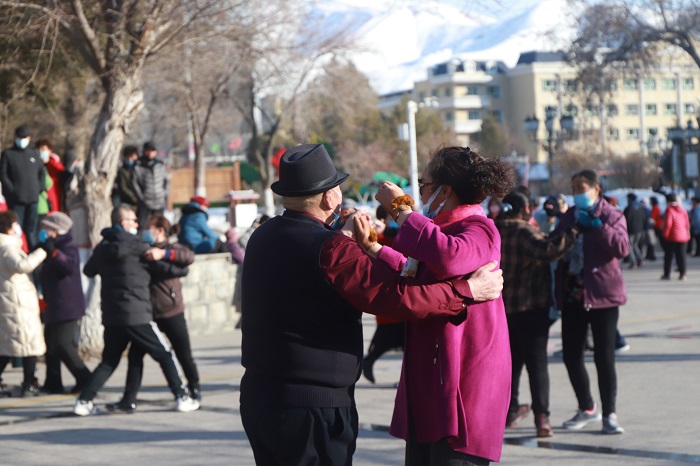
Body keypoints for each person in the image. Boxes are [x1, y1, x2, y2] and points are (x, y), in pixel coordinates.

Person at [240, 144, 504, 466]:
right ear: (329, 198)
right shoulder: (331, 247)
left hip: (457, 386)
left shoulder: (264, 234)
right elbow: (400, 294)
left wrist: (384, 237)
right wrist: (467, 290)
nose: (416, 192)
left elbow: (436, 261)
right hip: (313, 405)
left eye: (421, 185)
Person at [369, 146, 514, 465]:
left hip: (464, 384)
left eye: (423, 183)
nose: (418, 192)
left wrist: (400, 209)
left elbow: (448, 256)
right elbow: (416, 269)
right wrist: (376, 249)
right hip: (434, 379)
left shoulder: (479, 228)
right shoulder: (442, 231)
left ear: (444, 190)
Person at [73, 204, 199, 416]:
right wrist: (179, 269)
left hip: (112, 315)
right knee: (165, 355)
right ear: (124, 223)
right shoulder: (137, 245)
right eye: (133, 220)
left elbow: (89, 270)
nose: (137, 224)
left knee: (109, 362)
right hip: (137, 313)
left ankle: (84, 401)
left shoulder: (103, 247)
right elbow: (162, 266)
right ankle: (182, 396)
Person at [551, 169, 629, 435]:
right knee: (571, 355)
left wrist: (599, 228)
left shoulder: (612, 215)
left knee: (604, 357)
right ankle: (587, 407)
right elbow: (554, 245)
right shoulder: (570, 215)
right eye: (573, 188)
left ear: (596, 189)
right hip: (573, 294)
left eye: (581, 187)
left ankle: (610, 414)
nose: (577, 193)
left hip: (603, 295)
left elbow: (622, 248)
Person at [496, 191, 579, 438]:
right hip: (532, 308)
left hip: (504, 309)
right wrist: (573, 232)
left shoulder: (494, 231)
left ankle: (510, 411)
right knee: (537, 365)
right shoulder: (523, 230)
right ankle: (542, 418)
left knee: (511, 365)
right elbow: (548, 251)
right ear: (525, 210)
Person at [108, 214, 200, 413]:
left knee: (183, 353)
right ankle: (128, 399)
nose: (144, 231)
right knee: (135, 357)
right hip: (147, 314)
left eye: (149, 228)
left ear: (159, 230)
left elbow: (188, 258)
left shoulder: (171, 248)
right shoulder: (143, 249)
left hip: (171, 311)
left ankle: (193, 389)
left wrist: (163, 255)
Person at [37, 212, 92, 394]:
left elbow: (68, 265)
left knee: (62, 343)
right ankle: (53, 382)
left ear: (55, 230)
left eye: (47, 228)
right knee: (51, 344)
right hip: (53, 304)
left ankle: (85, 378)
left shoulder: (67, 246)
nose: (43, 232)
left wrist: (53, 252)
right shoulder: (48, 247)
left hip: (67, 306)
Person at [0, 210, 47, 397]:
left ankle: (29, 380)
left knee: (10, 346)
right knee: (28, 344)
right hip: (17, 304)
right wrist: (42, 251)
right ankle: (29, 383)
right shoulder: (7, 248)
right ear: (9, 227)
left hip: (13, 302)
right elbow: (22, 266)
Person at [361, 205, 404, 384]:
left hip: (399, 298)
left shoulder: (396, 235)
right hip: (390, 297)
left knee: (403, 343)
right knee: (388, 339)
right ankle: (369, 361)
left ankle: (371, 362)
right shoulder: (378, 237)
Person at [0, 125, 46, 248]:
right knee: (17, 231)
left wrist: (39, 188)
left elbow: (42, 173)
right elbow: (3, 175)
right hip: (16, 201)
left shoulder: (34, 154)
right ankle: (18, 257)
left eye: (24, 137)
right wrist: (12, 190)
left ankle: (35, 262)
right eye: (19, 137)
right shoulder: (8, 154)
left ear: (29, 138)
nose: (21, 140)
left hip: (33, 199)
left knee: (31, 232)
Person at [131, 141, 170, 231]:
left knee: (161, 225)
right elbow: (134, 183)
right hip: (145, 202)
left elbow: (167, 181)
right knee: (142, 226)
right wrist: (141, 197)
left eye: (152, 150)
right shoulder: (138, 166)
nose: (150, 153)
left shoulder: (160, 165)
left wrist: (164, 194)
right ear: (144, 151)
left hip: (159, 201)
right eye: (148, 150)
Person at [661, 193, 690, 281]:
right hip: (683, 237)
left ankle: (667, 274)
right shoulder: (683, 209)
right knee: (681, 256)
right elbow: (687, 223)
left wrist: (665, 235)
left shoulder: (669, 209)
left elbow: (668, 224)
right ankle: (683, 274)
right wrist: (687, 234)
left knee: (668, 256)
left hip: (672, 237)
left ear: (668, 202)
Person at [35, 138, 65, 213]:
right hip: (41, 200)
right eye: (39, 149)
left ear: (49, 151)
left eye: (44, 149)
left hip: (54, 198)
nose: (41, 151)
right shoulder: (35, 166)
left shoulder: (55, 165)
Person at [624, 193, 646, 269]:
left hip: (631, 230)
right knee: (635, 245)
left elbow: (626, 219)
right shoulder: (640, 207)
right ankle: (640, 259)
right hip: (639, 229)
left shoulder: (629, 208)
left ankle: (633, 262)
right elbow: (644, 218)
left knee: (629, 246)